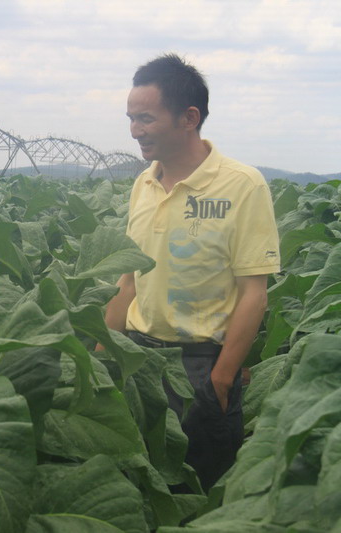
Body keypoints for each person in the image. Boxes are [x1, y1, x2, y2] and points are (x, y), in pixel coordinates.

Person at [104, 54, 280, 489]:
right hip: (140, 358)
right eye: (131, 119)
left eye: (146, 118)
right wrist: (102, 352)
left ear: (189, 118)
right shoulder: (143, 184)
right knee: (139, 480)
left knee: (200, 486)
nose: (135, 130)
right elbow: (129, 280)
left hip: (201, 364)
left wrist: (221, 377)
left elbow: (254, 292)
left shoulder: (243, 185)